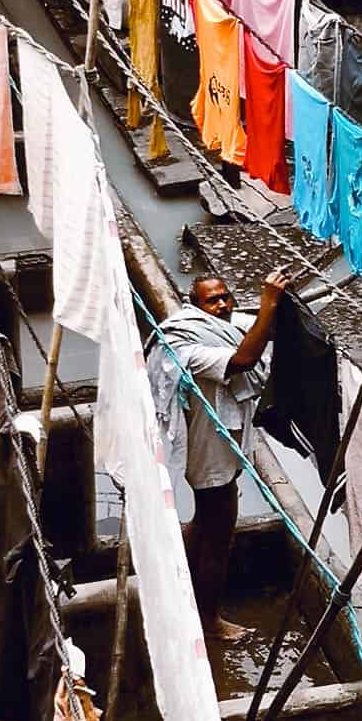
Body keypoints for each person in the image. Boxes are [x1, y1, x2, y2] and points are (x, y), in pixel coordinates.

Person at [148, 267, 290, 640]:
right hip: (209, 455)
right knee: (218, 537)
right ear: (194, 306)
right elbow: (242, 360)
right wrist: (269, 302)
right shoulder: (189, 346)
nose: (224, 304)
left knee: (205, 524)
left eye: (226, 296)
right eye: (213, 300)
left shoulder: (222, 326)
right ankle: (210, 620)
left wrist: (274, 310)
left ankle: (185, 596)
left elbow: (257, 328)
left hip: (225, 448)